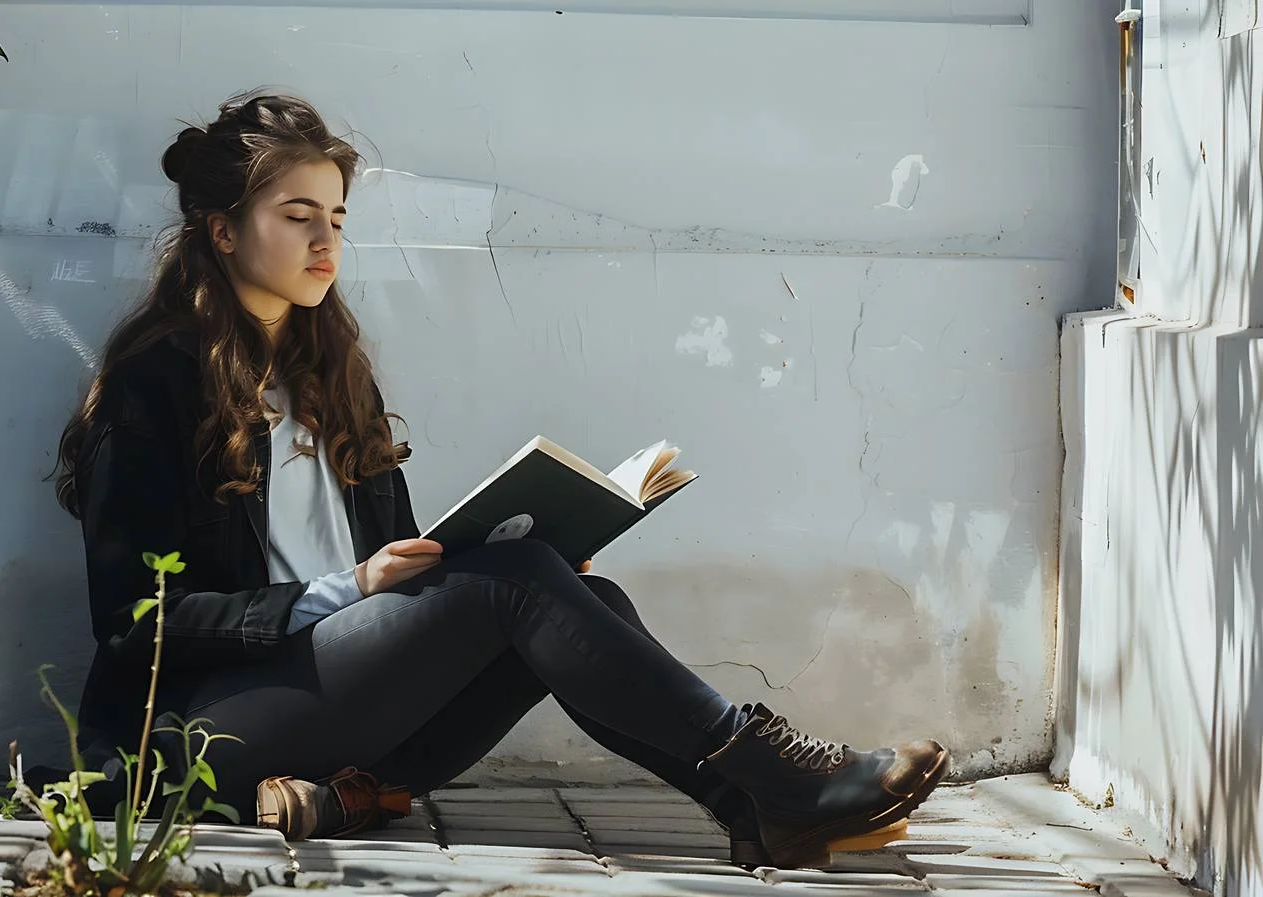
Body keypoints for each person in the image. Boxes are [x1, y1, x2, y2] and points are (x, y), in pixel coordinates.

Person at [52, 91, 947, 869]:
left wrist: (540, 569)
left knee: (591, 601)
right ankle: (773, 773)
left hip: (349, 714)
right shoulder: (153, 385)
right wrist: (348, 590)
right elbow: (137, 625)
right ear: (222, 230)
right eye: (298, 215)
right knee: (516, 589)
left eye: (338, 218)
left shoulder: (332, 375)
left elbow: (411, 564)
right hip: (194, 731)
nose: (327, 240)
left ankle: (755, 810)